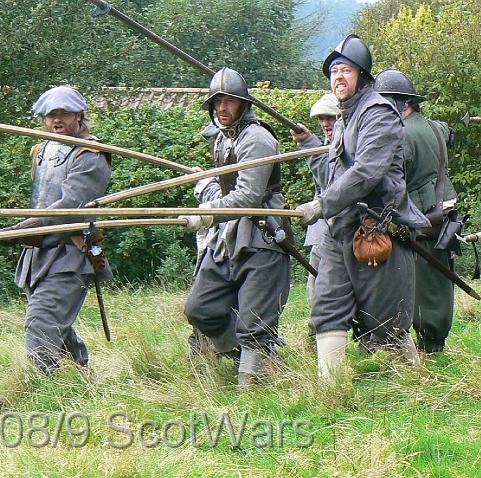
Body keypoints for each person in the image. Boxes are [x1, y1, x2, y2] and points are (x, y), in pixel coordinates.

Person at [294, 35, 429, 380]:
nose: (338, 77)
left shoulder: (379, 113)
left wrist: (322, 205)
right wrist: (311, 145)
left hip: (378, 232)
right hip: (342, 232)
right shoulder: (342, 119)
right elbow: (334, 176)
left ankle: (411, 387)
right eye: (334, 71)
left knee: (385, 324)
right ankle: (331, 391)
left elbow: (366, 172)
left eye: (346, 70)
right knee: (326, 307)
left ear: (363, 76)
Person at [181, 67, 291, 387]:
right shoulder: (222, 141)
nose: (223, 108)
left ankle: (253, 379)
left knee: (254, 320)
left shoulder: (257, 138)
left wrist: (205, 214)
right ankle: (259, 358)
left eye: (230, 101)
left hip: (262, 235)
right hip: (228, 235)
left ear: (243, 104)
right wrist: (205, 186)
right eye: (218, 102)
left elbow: (247, 197)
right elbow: (223, 189)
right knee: (200, 308)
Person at [0, 86, 112, 374]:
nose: (56, 121)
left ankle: (46, 392)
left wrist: (22, 229)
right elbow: (41, 200)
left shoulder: (91, 156)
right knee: (55, 324)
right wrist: (18, 230)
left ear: (79, 116)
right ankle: (81, 376)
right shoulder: (41, 150)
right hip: (38, 252)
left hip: (72, 253)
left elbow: (69, 207)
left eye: (63, 113)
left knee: (42, 321)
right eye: (50, 115)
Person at [373, 68, 458, 353]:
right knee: (437, 277)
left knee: (422, 282)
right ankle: (432, 340)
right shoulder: (433, 126)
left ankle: (428, 345)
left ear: (402, 104)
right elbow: (448, 131)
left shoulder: (401, 134)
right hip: (443, 211)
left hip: (420, 216)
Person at [291, 93, 340, 308]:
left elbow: (331, 181)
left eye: (330, 118)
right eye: (321, 119)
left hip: (342, 228)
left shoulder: (346, 143)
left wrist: (309, 144)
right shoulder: (329, 142)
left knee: (326, 288)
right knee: (315, 284)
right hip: (325, 227)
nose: (325, 123)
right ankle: (315, 335)